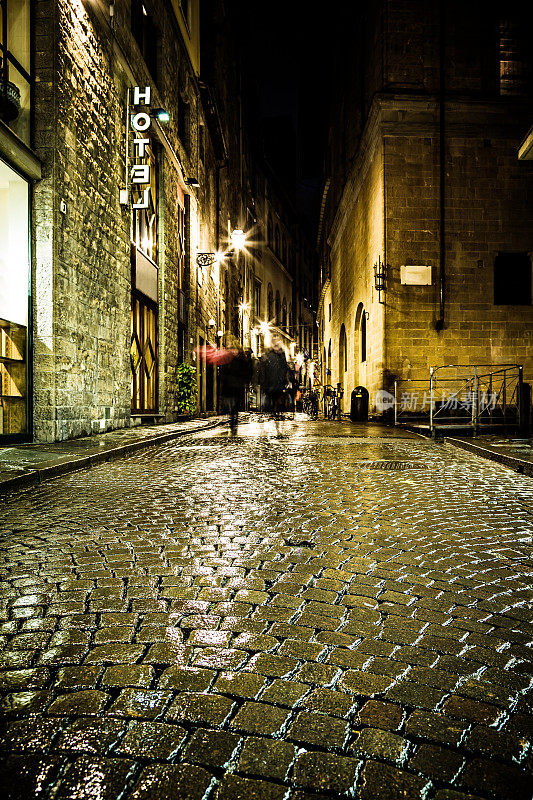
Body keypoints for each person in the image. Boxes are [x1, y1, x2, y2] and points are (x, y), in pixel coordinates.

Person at [219, 336, 252, 434]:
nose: (233, 351)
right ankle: (231, 419)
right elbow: (223, 371)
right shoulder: (227, 359)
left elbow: (248, 372)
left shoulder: (242, 360)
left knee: (235, 405)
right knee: (229, 404)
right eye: (231, 349)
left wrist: (246, 381)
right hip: (228, 385)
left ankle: (234, 421)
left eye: (234, 349)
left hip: (238, 386)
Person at [259, 337, 288, 420]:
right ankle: (272, 414)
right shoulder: (268, 354)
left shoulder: (281, 355)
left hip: (278, 382)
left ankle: (276, 414)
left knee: (277, 400)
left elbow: (284, 368)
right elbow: (264, 369)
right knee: (270, 400)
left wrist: (283, 380)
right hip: (270, 382)